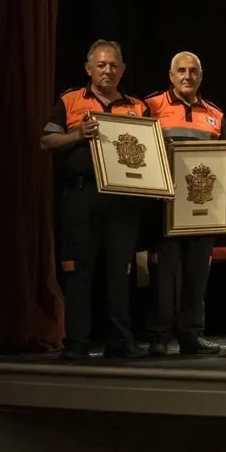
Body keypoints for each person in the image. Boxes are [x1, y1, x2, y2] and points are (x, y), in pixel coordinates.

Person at [42, 40, 149, 360]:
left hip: (123, 199)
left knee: (120, 271)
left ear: (123, 69)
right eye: (101, 65)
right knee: (79, 271)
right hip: (81, 196)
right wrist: (77, 135)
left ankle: (121, 341)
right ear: (89, 68)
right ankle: (77, 343)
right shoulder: (70, 100)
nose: (108, 70)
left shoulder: (137, 106)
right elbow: (46, 141)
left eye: (114, 65)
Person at [144, 51, 226, 356]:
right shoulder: (152, 106)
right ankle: (160, 336)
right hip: (166, 206)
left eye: (193, 71)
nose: (187, 76)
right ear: (171, 76)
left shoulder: (216, 114)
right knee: (166, 275)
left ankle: (191, 335)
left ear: (201, 75)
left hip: (203, 210)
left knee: (198, 275)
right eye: (181, 71)